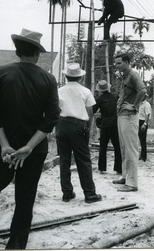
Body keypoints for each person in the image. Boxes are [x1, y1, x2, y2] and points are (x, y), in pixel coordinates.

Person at [0, 28, 60, 250]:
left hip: (4, 151)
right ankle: (16, 246)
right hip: (34, 151)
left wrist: (5, 144)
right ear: (37, 54)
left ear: (17, 51)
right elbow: (52, 118)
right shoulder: (48, 79)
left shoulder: (1, 72)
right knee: (25, 200)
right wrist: (28, 147)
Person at [56, 63, 102, 204]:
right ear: (81, 77)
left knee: (64, 161)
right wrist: (87, 128)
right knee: (83, 161)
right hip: (78, 126)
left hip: (62, 125)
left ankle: (67, 193)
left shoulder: (59, 91)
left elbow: (56, 110)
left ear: (66, 76)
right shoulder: (85, 91)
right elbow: (90, 112)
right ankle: (89, 194)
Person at [113, 53, 147, 192]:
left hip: (129, 116)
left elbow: (143, 90)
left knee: (131, 149)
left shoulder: (133, 75)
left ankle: (132, 183)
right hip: (122, 115)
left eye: (119, 63)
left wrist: (134, 105)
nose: (117, 65)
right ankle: (125, 176)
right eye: (116, 63)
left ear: (127, 62)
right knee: (123, 148)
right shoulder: (124, 76)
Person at [93, 80, 122, 174]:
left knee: (103, 146)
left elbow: (93, 110)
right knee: (117, 146)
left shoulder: (99, 99)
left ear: (100, 89)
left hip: (105, 124)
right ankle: (118, 168)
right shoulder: (115, 97)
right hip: (115, 124)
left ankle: (102, 167)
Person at [138, 93, 151, 162]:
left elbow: (147, 115)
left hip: (142, 122)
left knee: (142, 140)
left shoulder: (146, 104)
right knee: (139, 139)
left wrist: (145, 124)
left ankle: (144, 156)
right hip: (138, 121)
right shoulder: (140, 104)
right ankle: (141, 155)